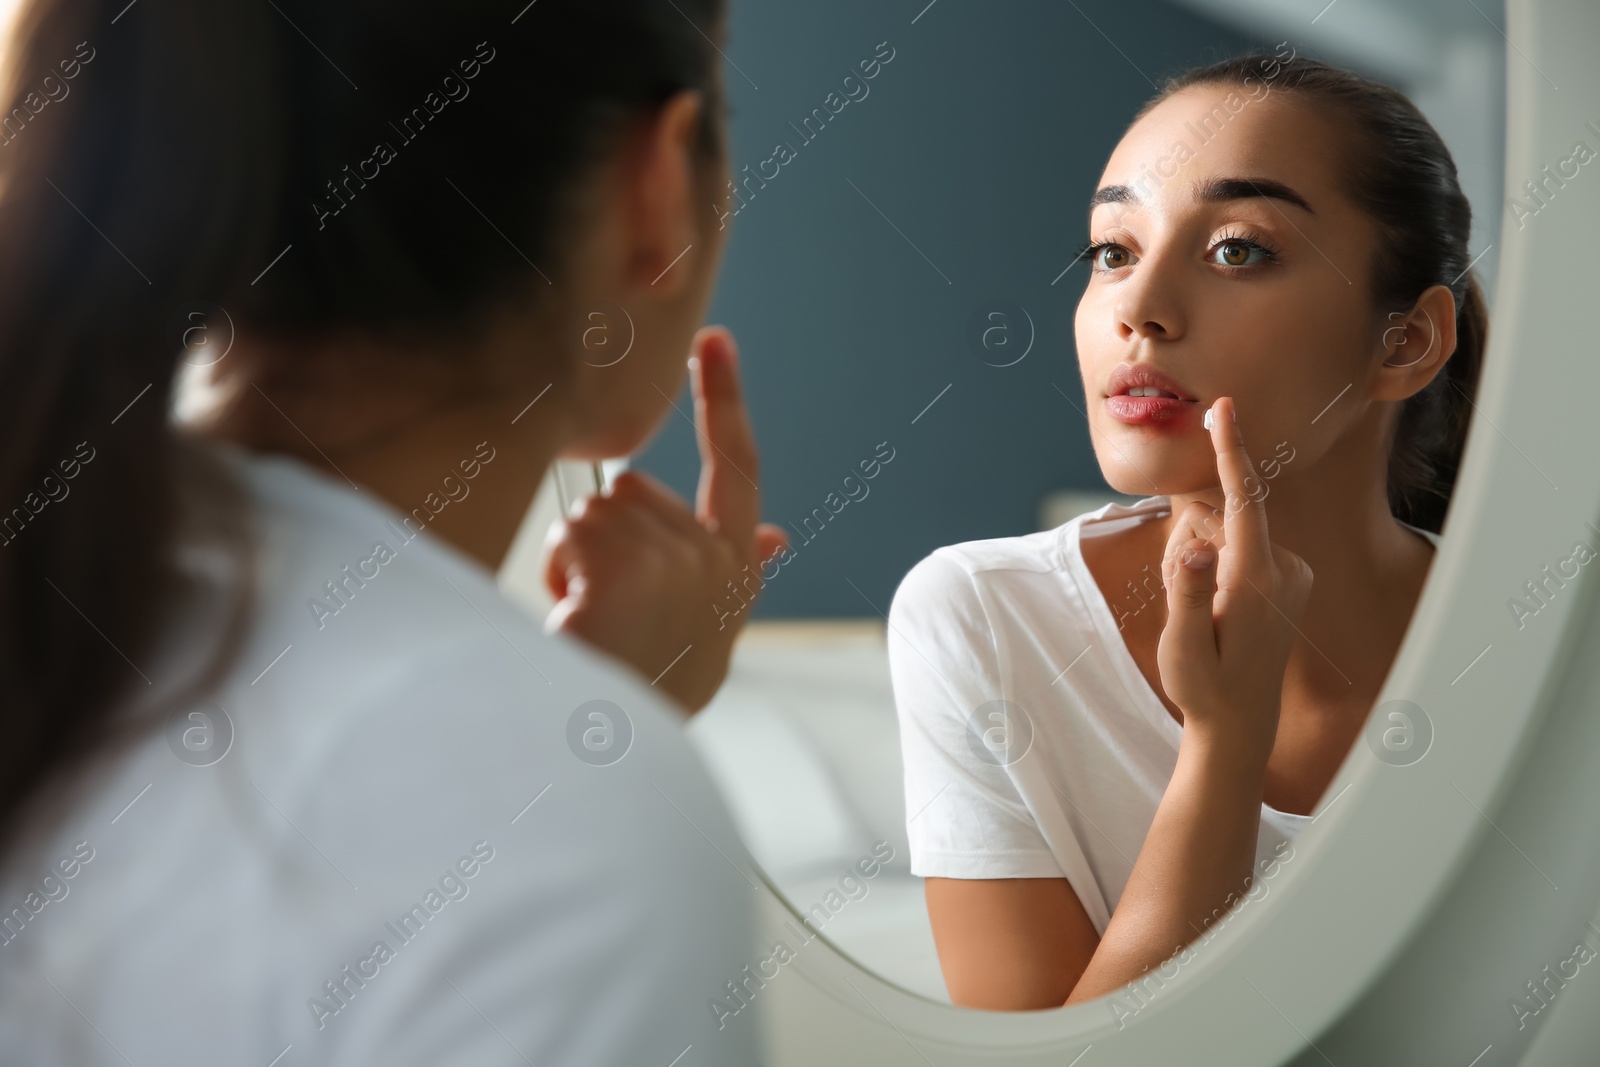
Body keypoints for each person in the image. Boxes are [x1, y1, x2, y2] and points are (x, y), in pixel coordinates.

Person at [0, 0, 785, 1063]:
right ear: (656, 186)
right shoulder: (578, 844)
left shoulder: (64, 579)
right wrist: (571, 752)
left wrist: (575, 725)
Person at [889, 54, 1485, 1011]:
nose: (1139, 308)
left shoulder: (1541, 646)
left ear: (1405, 341)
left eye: (1238, 248)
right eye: (1113, 250)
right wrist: (1223, 743)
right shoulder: (984, 617)